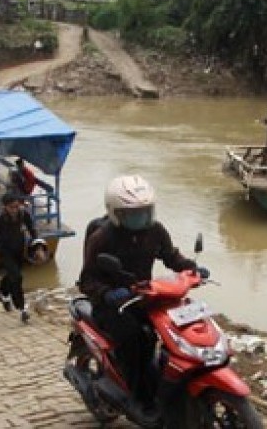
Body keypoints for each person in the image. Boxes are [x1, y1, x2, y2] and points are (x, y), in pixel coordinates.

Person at [78, 174, 202, 416]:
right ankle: (139, 397)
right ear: (115, 212)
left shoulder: (155, 230)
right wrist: (107, 293)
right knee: (135, 338)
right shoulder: (102, 238)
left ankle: (168, 384)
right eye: (134, 213)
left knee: (177, 331)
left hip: (144, 296)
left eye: (146, 211)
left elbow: (170, 256)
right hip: (112, 304)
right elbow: (87, 280)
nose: (142, 217)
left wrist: (191, 268)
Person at [0, 193, 38, 323]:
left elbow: (32, 229)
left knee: (13, 275)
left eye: (17, 206)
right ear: (5, 207)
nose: (15, 210)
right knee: (17, 277)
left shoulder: (24, 214)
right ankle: (22, 308)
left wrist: (38, 246)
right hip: (5, 252)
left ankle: (2, 292)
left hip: (19, 251)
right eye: (12, 207)